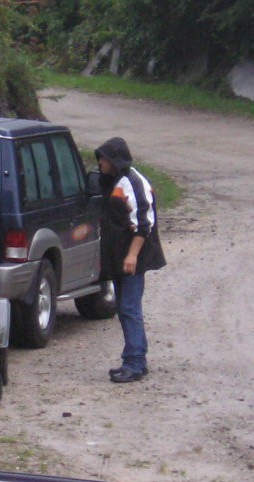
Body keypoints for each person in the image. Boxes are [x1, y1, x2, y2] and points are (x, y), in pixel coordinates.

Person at [95, 137, 166, 383]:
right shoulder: (113, 181)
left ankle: (135, 363)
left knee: (129, 308)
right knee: (126, 308)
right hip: (119, 257)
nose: (100, 162)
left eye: (103, 158)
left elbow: (145, 224)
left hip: (133, 257)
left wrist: (133, 255)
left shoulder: (133, 183)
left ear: (114, 160)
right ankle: (135, 358)